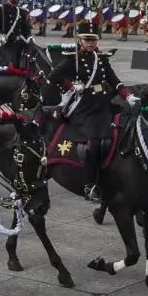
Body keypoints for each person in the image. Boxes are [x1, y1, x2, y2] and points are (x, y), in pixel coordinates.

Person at [50, 26, 123, 197]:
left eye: (93, 40)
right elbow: (54, 76)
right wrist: (71, 86)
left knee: (115, 139)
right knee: (92, 145)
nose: (90, 43)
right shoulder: (72, 59)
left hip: (102, 104)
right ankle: (89, 185)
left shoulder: (102, 59)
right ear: (80, 41)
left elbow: (115, 81)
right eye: (87, 40)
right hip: (83, 106)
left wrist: (129, 96)